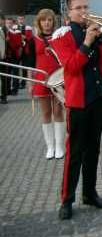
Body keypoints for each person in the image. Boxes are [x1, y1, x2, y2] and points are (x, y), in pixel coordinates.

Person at [50, 0, 102, 220]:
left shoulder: (96, 30)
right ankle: (66, 199)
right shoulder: (62, 36)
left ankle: (89, 193)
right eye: (78, 8)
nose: (83, 11)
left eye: (86, 7)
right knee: (75, 152)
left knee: (94, 149)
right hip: (79, 101)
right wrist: (87, 42)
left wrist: (101, 38)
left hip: (98, 98)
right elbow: (70, 67)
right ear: (69, 12)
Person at [27, 9, 65, 159]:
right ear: (39, 22)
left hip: (57, 79)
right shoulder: (33, 40)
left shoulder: (59, 37)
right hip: (41, 79)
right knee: (45, 113)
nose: (47, 23)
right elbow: (30, 63)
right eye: (44, 20)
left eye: (49, 20)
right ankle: (50, 147)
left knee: (58, 111)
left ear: (53, 21)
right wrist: (30, 84)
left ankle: (59, 146)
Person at [0, 15, 7, 104]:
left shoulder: (3, 30)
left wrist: (2, 55)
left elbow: (2, 44)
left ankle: (3, 96)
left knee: (3, 77)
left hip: (2, 57)